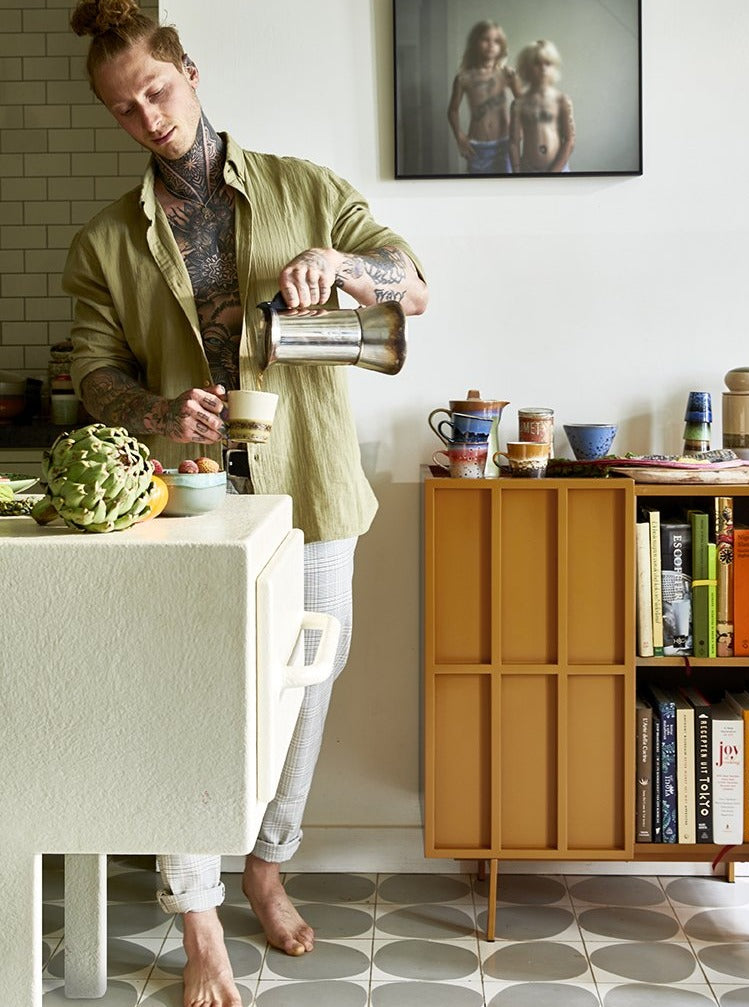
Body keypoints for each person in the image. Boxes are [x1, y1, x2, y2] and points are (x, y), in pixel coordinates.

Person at [65, 3, 428, 1006]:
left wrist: (342, 266)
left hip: (311, 481)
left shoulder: (306, 188)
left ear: (189, 70)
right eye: (123, 108)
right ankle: (196, 918)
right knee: (187, 692)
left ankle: (266, 861)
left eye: (157, 90)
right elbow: (91, 369)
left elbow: (411, 281)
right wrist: (152, 408)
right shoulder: (106, 242)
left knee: (308, 676)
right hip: (189, 500)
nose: (148, 117)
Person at [447, 19, 521, 174]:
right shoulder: (464, 77)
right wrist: (459, 136)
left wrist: (519, 131)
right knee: (478, 192)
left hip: (505, 143)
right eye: (485, 40)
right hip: (477, 147)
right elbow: (453, 110)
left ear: (502, 46)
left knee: (506, 191)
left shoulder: (507, 74)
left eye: (496, 41)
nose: (491, 44)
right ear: (475, 42)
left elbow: (523, 103)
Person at [509, 39, 576, 174]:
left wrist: (554, 173)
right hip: (528, 170)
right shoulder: (519, 103)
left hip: (558, 170)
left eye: (548, 63)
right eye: (537, 63)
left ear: (554, 67)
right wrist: (516, 171)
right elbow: (513, 142)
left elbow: (569, 140)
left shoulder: (562, 100)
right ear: (526, 67)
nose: (543, 68)